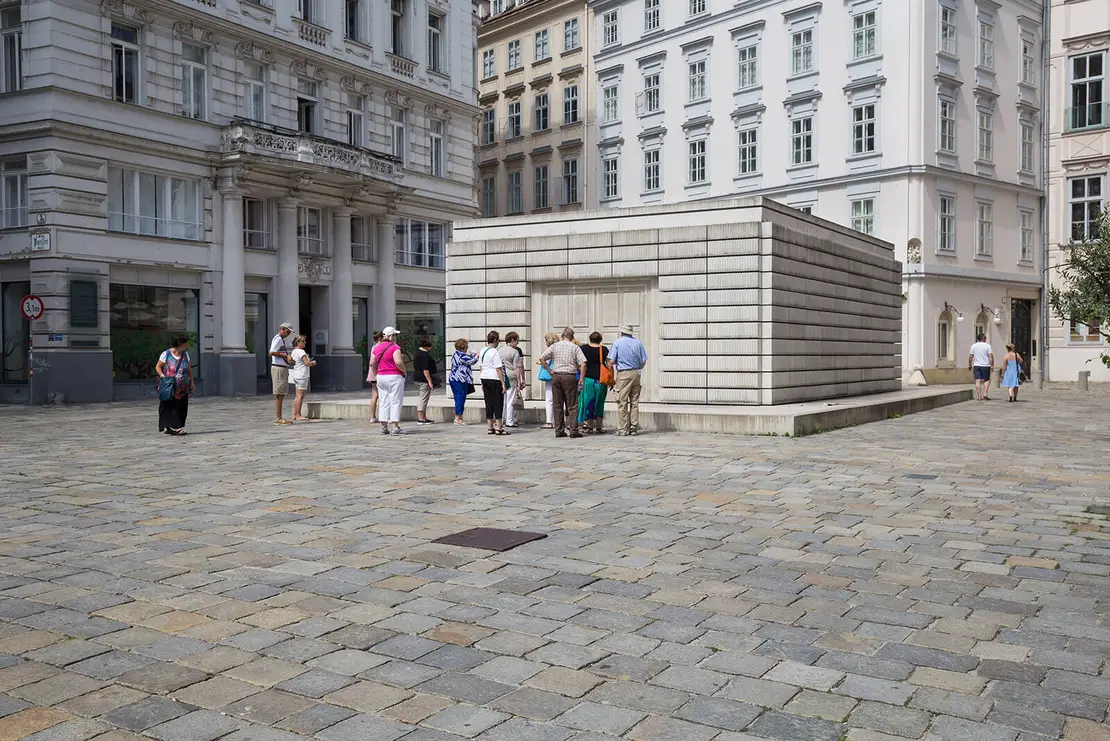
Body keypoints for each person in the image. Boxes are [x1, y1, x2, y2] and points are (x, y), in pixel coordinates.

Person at [537, 327, 587, 439]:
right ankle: (573, 430)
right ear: (572, 337)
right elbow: (583, 363)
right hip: (569, 376)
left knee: (557, 404)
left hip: (556, 376)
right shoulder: (575, 347)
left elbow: (542, 358)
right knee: (572, 405)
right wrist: (581, 379)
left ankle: (559, 430)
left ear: (562, 336)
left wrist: (550, 371)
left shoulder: (555, 346)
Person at [608, 324, 648, 436]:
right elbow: (644, 361)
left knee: (622, 401)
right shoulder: (638, 343)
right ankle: (633, 427)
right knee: (634, 401)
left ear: (621, 332)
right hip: (636, 373)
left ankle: (623, 428)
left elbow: (611, 360)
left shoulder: (618, 342)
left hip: (623, 374)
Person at [156, 335, 194, 436]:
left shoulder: (185, 355)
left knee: (182, 407)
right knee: (171, 407)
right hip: (170, 387)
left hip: (183, 388)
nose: (187, 345)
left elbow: (189, 369)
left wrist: (192, 382)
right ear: (180, 344)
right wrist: (163, 376)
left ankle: (172, 427)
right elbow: (158, 367)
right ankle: (177, 427)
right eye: (186, 343)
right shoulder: (166, 354)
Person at [371, 327, 406, 435]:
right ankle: (395, 427)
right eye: (395, 335)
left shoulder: (376, 347)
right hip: (394, 376)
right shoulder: (395, 347)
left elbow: (372, 362)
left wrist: (376, 374)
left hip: (381, 377)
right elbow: (398, 362)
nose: (396, 337)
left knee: (383, 401)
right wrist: (404, 371)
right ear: (390, 336)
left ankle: (384, 427)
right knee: (395, 400)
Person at [578, 331, 610, 434]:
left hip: (588, 379)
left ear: (590, 339)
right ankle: (599, 427)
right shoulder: (603, 349)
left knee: (588, 402)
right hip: (601, 380)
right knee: (600, 402)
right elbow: (609, 364)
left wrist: (581, 379)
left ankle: (589, 426)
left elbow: (580, 363)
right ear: (600, 340)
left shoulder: (583, 349)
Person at [478, 331, 509, 435]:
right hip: (494, 379)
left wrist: (481, 382)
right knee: (498, 402)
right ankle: (499, 427)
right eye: (498, 340)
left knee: (488, 403)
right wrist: (503, 383)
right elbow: (498, 369)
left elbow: (481, 367)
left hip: (484, 377)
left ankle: (490, 426)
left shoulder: (482, 350)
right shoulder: (495, 352)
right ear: (495, 340)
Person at [448, 338, 480, 425]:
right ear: (463, 346)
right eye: (466, 345)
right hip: (460, 380)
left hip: (454, 379)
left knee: (458, 398)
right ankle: (458, 418)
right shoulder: (462, 355)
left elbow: (468, 359)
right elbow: (471, 361)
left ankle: (459, 416)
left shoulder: (456, 354)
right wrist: (477, 355)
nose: (467, 347)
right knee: (460, 398)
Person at [269, 321, 296, 425]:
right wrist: (285, 356)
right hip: (278, 368)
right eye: (288, 332)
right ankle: (278, 418)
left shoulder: (280, 340)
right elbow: (272, 352)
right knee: (279, 393)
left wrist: (288, 359)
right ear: (283, 329)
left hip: (282, 367)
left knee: (281, 393)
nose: (288, 334)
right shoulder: (278, 339)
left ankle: (279, 417)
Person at [499, 331, 525, 428]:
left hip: (501, 376)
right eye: (517, 341)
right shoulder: (515, 352)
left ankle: (501, 419)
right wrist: (520, 381)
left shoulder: (500, 350)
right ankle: (509, 421)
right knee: (510, 400)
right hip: (511, 377)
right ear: (513, 340)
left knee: (503, 400)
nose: (517, 343)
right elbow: (516, 368)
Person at [289, 335, 316, 421]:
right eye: (303, 341)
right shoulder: (301, 352)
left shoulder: (294, 351)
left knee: (297, 396)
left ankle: (294, 414)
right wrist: (313, 362)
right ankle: (298, 414)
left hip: (296, 375)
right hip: (302, 375)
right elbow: (307, 363)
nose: (305, 343)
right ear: (298, 342)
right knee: (300, 396)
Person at [413, 336, 438, 425]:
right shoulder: (424, 355)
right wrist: (430, 381)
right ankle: (421, 418)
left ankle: (423, 417)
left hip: (418, 377)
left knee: (423, 397)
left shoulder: (418, 352)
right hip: (423, 379)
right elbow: (425, 369)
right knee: (423, 398)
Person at [538, 332, 559, 429]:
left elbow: (541, 360)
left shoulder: (550, 350)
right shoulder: (559, 348)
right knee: (559, 399)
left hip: (550, 376)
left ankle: (549, 421)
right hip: (559, 374)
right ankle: (558, 420)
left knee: (549, 398)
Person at [968, 333, 994, 401]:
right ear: (983, 338)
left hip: (976, 365)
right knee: (987, 380)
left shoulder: (973, 346)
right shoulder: (988, 346)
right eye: (985, 338)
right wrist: (992, 365)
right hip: (985, 365)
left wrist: (970, 364)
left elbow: (971, 356)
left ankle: (979, 396)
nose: (986, 339)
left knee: (977, 380)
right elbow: (990, 356)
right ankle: (985, 393)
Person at [366, 330, 383, 422]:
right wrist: (376, 373)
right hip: (377, 372)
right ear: (380, 338)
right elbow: (372, 362)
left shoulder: (373, 347)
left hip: (373, 373)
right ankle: (382, 416)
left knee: (374, 395)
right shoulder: (379, 347)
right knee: (381, 396)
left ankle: (373, 416)